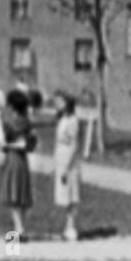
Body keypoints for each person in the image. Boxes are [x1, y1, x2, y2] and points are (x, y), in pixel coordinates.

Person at [1, 88, 36, 238]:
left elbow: (9, 143)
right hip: (23, 160)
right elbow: (29, 143)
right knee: (20, 196)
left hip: (13, 158)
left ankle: (18, 230)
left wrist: (6, 145)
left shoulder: (11, 123)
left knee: (14, 197)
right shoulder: (27, 122)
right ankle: (19, 228)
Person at [53, 93, 82, 241]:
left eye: (60, 101)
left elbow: (74, 144)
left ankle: (72, 227)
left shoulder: (73, 120)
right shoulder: (62, 119)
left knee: (71, 194)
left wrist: (66, 166)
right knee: (65, 195)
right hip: (61, 157)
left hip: (69, 161)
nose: (57, 103)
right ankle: (67, 226)